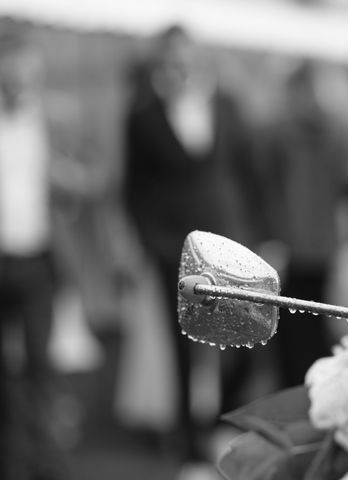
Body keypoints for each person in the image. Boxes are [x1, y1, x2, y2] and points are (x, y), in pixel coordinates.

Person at [122, 24, 260, 470]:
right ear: (162, 61)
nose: (180, 65)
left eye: (186, 56)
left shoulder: (228, 106)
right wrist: (152, 243)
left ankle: (226, 424)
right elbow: (134, 188)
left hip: (229, 243)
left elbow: (248, 174)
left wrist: (257, 236)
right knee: (181, 340)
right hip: (174, 250)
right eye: (171, 58)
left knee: (236, 336)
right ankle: (187, 436)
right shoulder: (142, 115)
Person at [0, 23, 80, 480]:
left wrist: (70, 182)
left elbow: (87, 178)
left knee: (40, 369)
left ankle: (46, 464)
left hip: (37, 261)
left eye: (32, 66)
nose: (26, 73)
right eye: (17, 64)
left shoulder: (51, 119)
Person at [259, 60, 348, 388]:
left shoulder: (331, 133)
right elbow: (268, 192)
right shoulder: (278, 133)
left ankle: (308, 395)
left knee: (309, 330)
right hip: (293, 245)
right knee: (291, 334)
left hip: (316, 244)